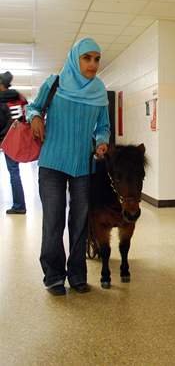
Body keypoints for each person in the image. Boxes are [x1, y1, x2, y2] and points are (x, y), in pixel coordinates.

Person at [27, 38, 110, 296]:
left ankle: (77, 275)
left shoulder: (99, 90)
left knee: (79, 222)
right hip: (52, 162)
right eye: (87, 58)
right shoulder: (55, 82)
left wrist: (102, 142)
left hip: (83, 165)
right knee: (53, 220)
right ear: (76, 59)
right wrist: (36, 117)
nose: (93, 64)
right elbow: (33, 107)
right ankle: (53, 276)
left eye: (97, 58)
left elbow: (103, 127)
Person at [0, 71, 28, 214]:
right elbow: (25, 117)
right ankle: (19, 204)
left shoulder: (1, 100)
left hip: (6, 139)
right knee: (14, 172)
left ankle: (19, 206)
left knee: (13, 172)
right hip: (18, 138)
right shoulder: (19, 97)